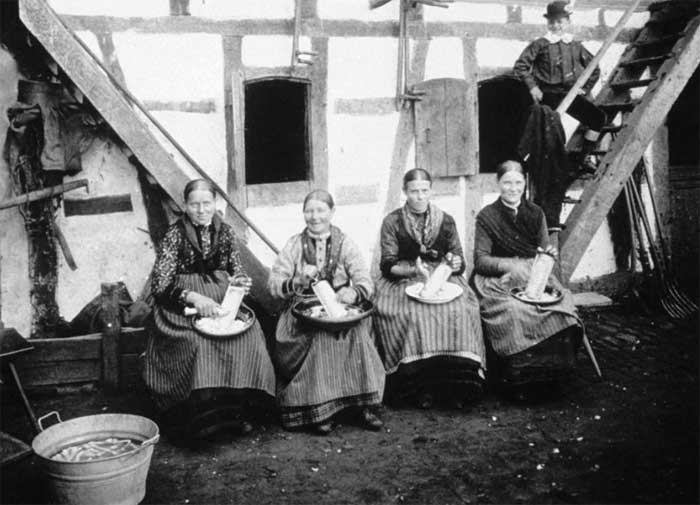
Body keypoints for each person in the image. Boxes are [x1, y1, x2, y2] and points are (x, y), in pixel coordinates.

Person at [142, 179, 275, 441]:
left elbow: (236, 269)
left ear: (216, 204)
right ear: (185, 205)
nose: (201, 210)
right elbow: (160, 286)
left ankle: (237, 412)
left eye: (206, 204)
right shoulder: (175, 234)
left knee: (249, 335)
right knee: (198, 343)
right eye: (195, 204)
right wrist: (193, 298)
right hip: (180, 309)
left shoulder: (224, 231)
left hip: (222, 301)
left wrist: (239, 282)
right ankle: (202, 418)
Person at [268, 190, 385, 435]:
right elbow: (274, 284)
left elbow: (365, 279)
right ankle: (318, 410)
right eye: (309, 210)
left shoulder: (345, 243)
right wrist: (297, 281)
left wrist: (353, 292)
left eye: (321, 210)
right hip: (302, 312)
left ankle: (361, 406)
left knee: (357, 336)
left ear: (332, 212)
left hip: (339, 308)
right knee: (320, 339)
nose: (315, 216)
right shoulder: (294, 245)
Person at [373, 169, 486, 409]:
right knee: (413, 313)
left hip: (440, 275)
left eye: (424, 191)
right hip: (403, 277)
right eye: (414, 191)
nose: (420, 196)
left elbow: (459, 260)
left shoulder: (445, 220)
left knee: (460, 308)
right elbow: (387, 265)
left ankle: (458, 387)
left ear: (431, 191)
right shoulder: (392, 221)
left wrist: (454, 263)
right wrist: (413, 271)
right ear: (405, 192)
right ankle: (419, 389)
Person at [472, 161, 582, 399]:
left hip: (531, 275)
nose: (513, 188)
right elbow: (480, 260)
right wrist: (510, 264)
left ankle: (553, 375)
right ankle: (518, 379)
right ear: (498, 184)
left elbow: (543, 251)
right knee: (513, 310)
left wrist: (547, 256)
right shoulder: (486, 216)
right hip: (498, 278)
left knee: (560, 306)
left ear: (525, 184)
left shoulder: (535, 213)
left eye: (518, 183)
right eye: (507, 183)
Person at [513, 0, 602, 173]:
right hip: (548, 96)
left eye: (560, 21)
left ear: (568, 22)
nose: (555, 26)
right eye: (552, 22)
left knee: (598, 118)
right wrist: (533, 87)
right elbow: (520, 66)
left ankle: (583, 158)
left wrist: (585, 88)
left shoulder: (575, 46)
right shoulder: (540, 44)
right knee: (551, 133)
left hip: (569, 96)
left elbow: (594, 68)